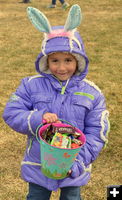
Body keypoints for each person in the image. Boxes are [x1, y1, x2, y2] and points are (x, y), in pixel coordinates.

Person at [3, 5, 110, 200]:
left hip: (73, 166)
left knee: (71, 197)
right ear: (45, 61)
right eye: (55, 61)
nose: (61, 67)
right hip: (39, 164)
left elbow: (97, 133)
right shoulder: (30, 85)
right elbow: (12, 112)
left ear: (79, 60)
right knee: (36, 197)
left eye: (68, 60)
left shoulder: (92, 93)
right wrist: (38, 118)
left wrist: (76, 163)